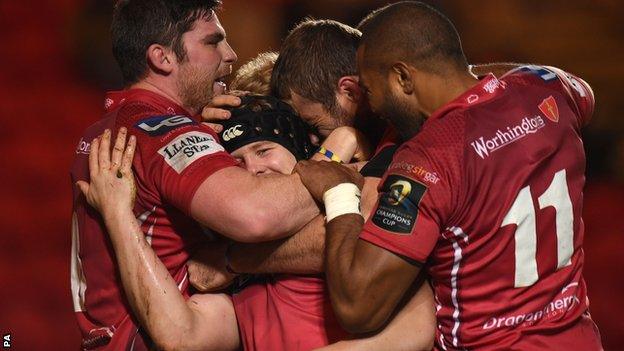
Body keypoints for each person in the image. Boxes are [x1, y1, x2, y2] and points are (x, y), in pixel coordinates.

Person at [293, 1, 604, 350]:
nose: (373, 106)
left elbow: (357, 306)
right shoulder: (547, 91)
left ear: (403, 78)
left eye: (369, 89)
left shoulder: (426, 160)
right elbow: (577, 89)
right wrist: (463, 78)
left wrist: (338, 193)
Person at [79, 95, 436, 351]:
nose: (253, 169)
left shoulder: (349, 224)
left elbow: (419, 325)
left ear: (300, 151)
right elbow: (179, 336)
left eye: (264, 151)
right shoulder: (231, 276)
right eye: (236, 161)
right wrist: (117, 214)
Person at [70, 1, 319, 350]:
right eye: (212, 42)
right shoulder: (159, 131)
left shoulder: (107, 131)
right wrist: (341, 171)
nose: (230, 54)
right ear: (163, 57)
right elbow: (257, 215)